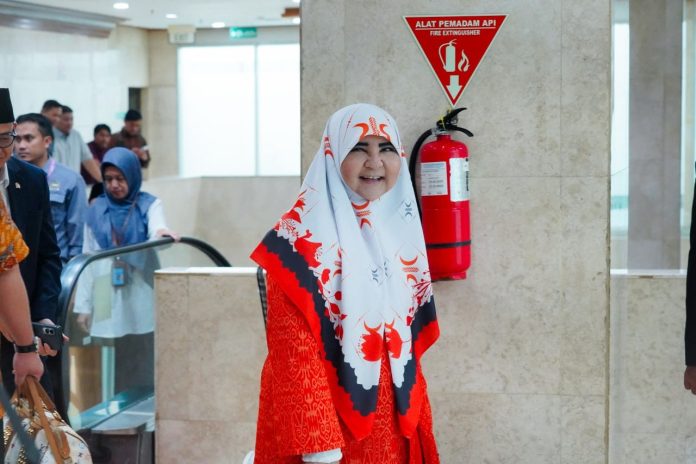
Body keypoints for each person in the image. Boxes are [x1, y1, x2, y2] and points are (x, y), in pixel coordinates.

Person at [250, 104, 440, 463]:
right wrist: (321, 452)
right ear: (332, 154)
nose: (375, 162)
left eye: (386, 148)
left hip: (396, 421)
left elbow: (406, 339)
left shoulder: (397, 234)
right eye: (358, 148)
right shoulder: (297, 243)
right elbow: (296, 357)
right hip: (333, 437)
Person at [73, 147, 178, 392]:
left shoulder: (149, 204)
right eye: (108, 179)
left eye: (120, 178)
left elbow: (158, 231)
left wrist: (162, 234)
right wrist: (83, 307)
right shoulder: (96, 209)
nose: (114, 185)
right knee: (110, 355)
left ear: (132, 176)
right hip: (104, 289)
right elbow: (88, 258)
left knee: (142, 349)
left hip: (140, 286)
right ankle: (115, 411)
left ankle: (145, 408)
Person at [0, 89, 63, 403]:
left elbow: (47, 255)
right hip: (17, 334)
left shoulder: (33, 179)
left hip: (24, 338)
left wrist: (42, 318)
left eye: (5, 138)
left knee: (39, 428)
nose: (1, 150)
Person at [0, 97, 45, 387]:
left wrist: (26, 342)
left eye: (4, 138)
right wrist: (26, 347)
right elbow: (5, 272)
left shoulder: (32, 179)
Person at [15, 113, 88, 263]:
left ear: (47, 141)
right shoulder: (9, 177)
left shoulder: (70, 180)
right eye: (17, 139)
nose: (21, 146)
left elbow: (77, 235)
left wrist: (72, 270)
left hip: (55, 264)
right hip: (16, 264)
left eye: (29, 138)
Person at [52, 105, 102, 182]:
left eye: (71, 119)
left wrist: (102, 181)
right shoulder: (50, 137)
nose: (70, 123)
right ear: (57, 119)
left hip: (74, 182)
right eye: (66, 119)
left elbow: (87, 159)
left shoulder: (76, 135)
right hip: (56, 183)